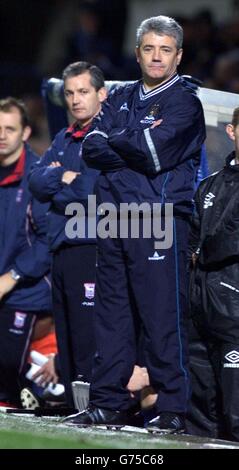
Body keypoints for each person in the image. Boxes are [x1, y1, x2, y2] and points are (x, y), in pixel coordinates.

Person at [64, 15, 206, 432]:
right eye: (149, 48)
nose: (157, 56)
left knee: (162, 317)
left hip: (157, 217)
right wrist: (127, 145)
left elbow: (153, 152)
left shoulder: (184, 101)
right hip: (113, 217)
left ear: (178, 55)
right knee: (111, 314)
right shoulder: (122, 97)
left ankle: (174, 409)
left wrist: (120, 144)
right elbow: (91, 146)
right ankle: (108, 402)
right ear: (138, 52)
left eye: (165, 49)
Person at [29, 62, 107, 407]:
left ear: (100, 94)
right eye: (70, 93)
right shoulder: (63, 136)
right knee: (67, 329)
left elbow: (90, 192)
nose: (76, 100)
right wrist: (61, 179)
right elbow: (35, 180)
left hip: (90, 244)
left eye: (83, 92)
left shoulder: (105, 136)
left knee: (87, 329)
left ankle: (93, 403)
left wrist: (58, 182)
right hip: (61, 245)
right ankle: (78, 407)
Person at [187, 107, 239, 442]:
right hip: (201, 301)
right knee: (201, 407)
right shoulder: (209, 185)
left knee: (235, 409)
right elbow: (193, 236)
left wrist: (201, 252)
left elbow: (230, 236)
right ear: (232, 131)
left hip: (234, 303)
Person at [0, 97, 51, 407]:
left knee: (5, 375)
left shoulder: (38, 178)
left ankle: (47, 390)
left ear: (25, 133)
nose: (2, 135)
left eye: (9, 128)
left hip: (24, 291)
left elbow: (49, 241)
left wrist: (12, 276)